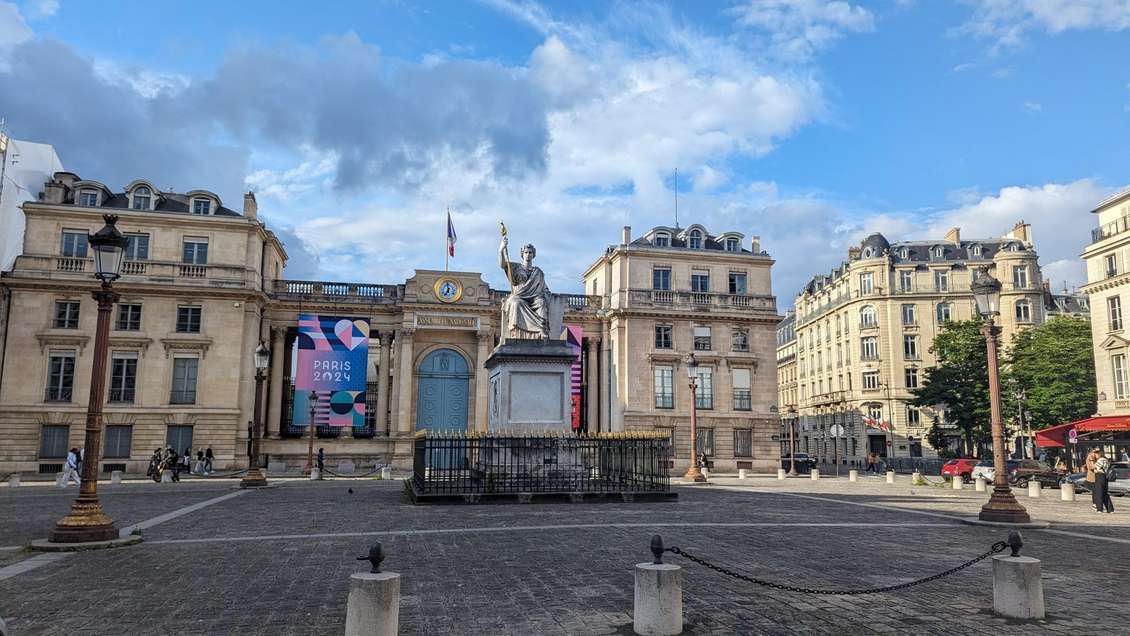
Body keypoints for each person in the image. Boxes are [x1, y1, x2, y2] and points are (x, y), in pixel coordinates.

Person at [1093, 449, 1115, 514]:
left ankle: (1099, 509)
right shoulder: (1106, 460)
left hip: (1099, 476)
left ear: (1099, 454)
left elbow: (1095, 467)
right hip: (1105, 477)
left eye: (1096, 453)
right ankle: (1110, 509)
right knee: (1105, 493)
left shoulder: (1100, 460)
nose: (1095, 455)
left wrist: (1093, 463)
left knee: (1099, 493)